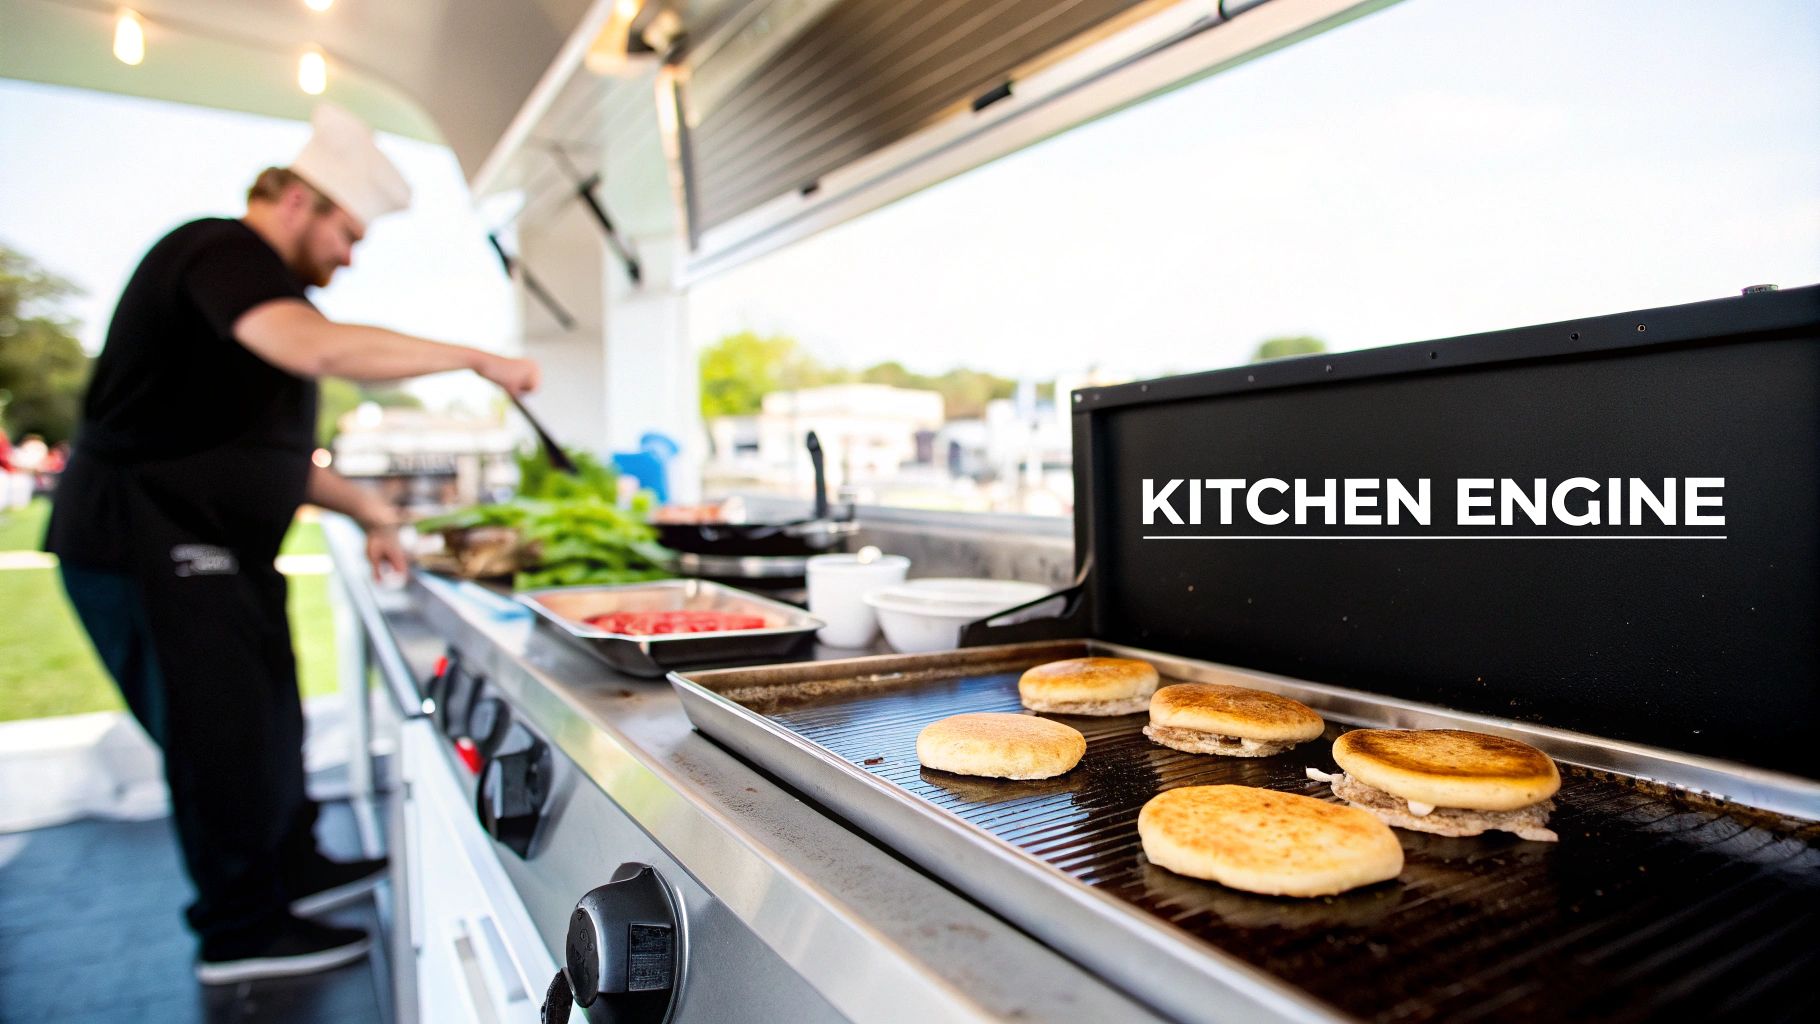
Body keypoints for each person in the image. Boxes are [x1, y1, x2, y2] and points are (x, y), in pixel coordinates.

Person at [43, 104, 540, 984]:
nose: (350, 255)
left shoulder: (268, 299)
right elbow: (313, 346)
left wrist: (374, 515)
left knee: (270, 717)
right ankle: (239, 929)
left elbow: (278, 463)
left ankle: (295, 868)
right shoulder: (222, 254)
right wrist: (473, 357)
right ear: (301, 201)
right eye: (348, 233)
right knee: (217, 734)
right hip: (146, 540)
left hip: (223, 549)